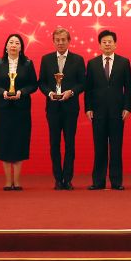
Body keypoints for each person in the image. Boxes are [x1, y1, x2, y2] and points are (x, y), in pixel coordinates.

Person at [84, 30, 131, 190]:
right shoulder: (92, 63)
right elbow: (88, 88)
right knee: (99, 147)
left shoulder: (124, 62)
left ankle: (116, 182)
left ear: (115, 44)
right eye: (104, 42)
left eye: (110, 41)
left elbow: (128, 88)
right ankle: (98, 181)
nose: (107, 44)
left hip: (118, 111)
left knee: (116, 147)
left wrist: (127, 107)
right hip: (97, 112)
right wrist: (88, 108)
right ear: (99, 45)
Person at [38, 28, 86, 190]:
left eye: (63, 40)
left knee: (70, 144)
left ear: (69, 41)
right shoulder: (46, 59)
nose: (60, 43)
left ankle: (68, 178)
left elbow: (83, 83)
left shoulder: (78, 60)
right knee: (54, 143)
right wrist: (49, 93)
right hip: (52, 108)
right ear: (53, 41)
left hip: (70, 108)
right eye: (57, 40)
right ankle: (58, 179)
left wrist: (71, 92)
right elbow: (41, 82)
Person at [0, 34, 37, 190]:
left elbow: (34, 85)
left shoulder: (28, 64)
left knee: (19, 142)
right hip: (2, 109)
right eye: (11, 42)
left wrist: (21, 92)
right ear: (6, 46)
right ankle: (8, 182)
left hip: (21, 109)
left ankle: (17, 181)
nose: (14, 45)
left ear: (21, 47)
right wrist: (2, 92)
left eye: (17, 43)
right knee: (4, 142)